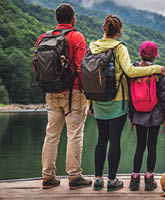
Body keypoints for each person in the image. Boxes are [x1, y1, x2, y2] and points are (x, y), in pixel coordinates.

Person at [90, 15, 165, 192]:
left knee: (101, 139)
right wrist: (156, 69)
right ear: (119, 30)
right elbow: (131, 72)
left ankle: (98, 180)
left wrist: (90, 103)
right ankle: (112, 181)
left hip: (98, 101)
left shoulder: (93, 47)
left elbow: (89, 75)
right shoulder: (119, 47)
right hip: (117, 101)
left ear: (104, 29)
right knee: (114, 138)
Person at [34, 3, 92, 190]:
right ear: (73, 19)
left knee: (51, 135)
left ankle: (48, 177)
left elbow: (37, 66)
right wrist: (86, 91)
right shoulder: (76, 36)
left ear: (57, 19)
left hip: (51, 92)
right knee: (74, 135)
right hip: (73, 92)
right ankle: (74, 177)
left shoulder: (43, 38)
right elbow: (81, 68)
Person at [128, 41, 165, 191]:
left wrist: (131, 116)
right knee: (151, 146)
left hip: (138, 114)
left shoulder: (133, 71)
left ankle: (134, 181)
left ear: (140, 53)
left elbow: (130, 96)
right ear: (154, 57)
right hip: (155, 115)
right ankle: (149, 180)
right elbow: (164, 96)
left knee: (139, 146)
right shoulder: (158, 72)